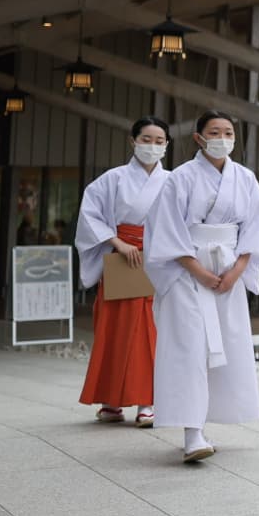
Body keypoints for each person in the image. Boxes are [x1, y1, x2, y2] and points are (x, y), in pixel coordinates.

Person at [144, 111, 259, 463]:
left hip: (229, 267)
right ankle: (192, 433)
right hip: (187, 269)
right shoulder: (179, 179)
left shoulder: (245, 178)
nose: (222, 138)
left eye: (228, 132)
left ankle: (209, 419)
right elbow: (166, 231)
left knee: (227, 344)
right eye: (215, 132)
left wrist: (238, 269)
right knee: (190, 347)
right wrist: (197, 270)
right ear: (199, 138)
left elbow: (256, 228)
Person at [75, 116, 172, 427]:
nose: (152, 146)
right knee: (114, 328)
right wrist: (117, 242)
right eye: (146, 139)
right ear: (133, 141)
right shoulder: (111, 179)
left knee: (152, 330)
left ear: (167, 145)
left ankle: (148, 401)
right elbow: (89, 216)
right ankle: (111, 401)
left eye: (159, 141)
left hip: (158, 260)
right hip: (122, 257)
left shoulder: (173, 181)